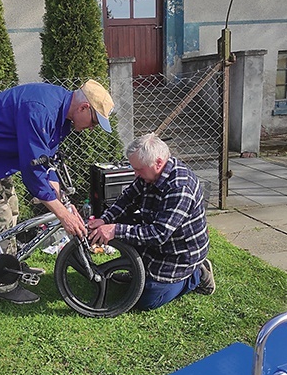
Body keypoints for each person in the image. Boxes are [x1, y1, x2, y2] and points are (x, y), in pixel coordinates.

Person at [0, 79, 114, 305]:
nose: (92, 128)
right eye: (94, 121)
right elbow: (33, 171)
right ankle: (4, 284)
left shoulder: (63, 114)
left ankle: (10, 263)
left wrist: (62, 200)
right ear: (84, 108)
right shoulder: (42, 110)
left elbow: (46, 159)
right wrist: (63, 215)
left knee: (12, 207)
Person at [88, 133, 214, 311]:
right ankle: (138, 271)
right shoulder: (148, 174)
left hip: (178, 254)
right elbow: (127, 199)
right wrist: (105, 219)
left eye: (139, 169)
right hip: (159, 239)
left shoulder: (180, 187)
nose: (135, 173)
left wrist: (115, 230)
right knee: (122, 220)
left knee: (146, 301)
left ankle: (196, 275)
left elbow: (159, 234)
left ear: (159, 163)